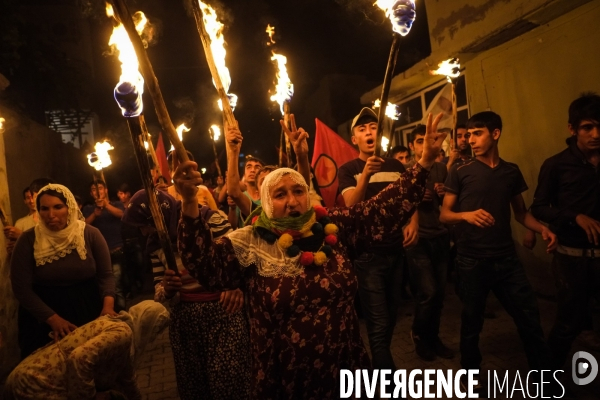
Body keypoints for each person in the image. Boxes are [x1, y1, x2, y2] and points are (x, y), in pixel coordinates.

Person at [171, 113, 446, 397]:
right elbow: (203, 264)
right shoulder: (250, 243)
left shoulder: (333, 226)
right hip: (288, 378)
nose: (292, 201)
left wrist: (424, 162)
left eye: (298, 191)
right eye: (279, 195)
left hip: (346, 369)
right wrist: (190, 202)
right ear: (265, 202)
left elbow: (380, 210)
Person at [440, 111, 557, 390]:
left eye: (477, 133)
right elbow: (445, 214)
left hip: (506, 260)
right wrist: (465, 215)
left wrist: (542, 229)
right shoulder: (460, 170)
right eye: (468, 134)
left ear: (495, 133)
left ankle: (544, 381)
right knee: (471, 324)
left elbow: (520, 213)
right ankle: (469, 378)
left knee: (529, 319)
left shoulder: (510, 171)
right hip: (471, 260)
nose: (470, 139)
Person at [123, 188, 250, 400]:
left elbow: (240, 260)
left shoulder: (212, 220)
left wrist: (235, 286)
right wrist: (167, 287)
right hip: (185, 322)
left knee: (228, 384)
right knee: (195, 387)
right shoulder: (155, 244)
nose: (144, 232)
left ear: (159, 216)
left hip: (224, 315)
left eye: (145, 225)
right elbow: (159, 290)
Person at [338, 107, 419, 371]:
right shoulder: (349, 169)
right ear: (355, 139)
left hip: (396, 251)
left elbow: (409, 200)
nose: (368, 132)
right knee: (378, 325)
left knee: (391, 319)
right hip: (368, 257)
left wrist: (413, 222)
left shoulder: (396, 165)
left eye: (372, 127)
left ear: (378, 132)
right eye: (362, 129)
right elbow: (351, 205)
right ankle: (389, 384)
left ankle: (378, 374)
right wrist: (366, 176)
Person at [530, 93, 600, 370]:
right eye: (588, 127)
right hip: (571, 258)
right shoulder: (557, 165)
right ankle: (548, 378)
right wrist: (574, 216)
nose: (596, 134)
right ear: (572, 129)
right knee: (568, 324)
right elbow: (539, 208)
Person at [10, 184, 116, 358]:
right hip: (44, 318)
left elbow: (106, 275)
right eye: (44, 208)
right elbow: (21, 288)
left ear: (70, 208)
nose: (50, 215)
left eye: (58, 207)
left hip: (88, 308)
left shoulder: (89, 234)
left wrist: (108, 308)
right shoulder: (28, 241)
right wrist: (53, 320)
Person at [4, 300, 169, 400]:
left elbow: (128, 379)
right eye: (155, 329)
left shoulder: (123, 332)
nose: (152, 337)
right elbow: (79, 358)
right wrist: (92, 397)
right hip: (37, 380)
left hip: (39, 376)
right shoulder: (122, 332)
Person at [406, 124, 453, 361]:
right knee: (428, 292)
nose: (425, 145)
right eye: (419, 141)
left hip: (440, 236)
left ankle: (434, 338)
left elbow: (451, 203)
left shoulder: (442, 169)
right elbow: (397, 207)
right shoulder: (405, 172)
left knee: (440, 294)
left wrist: (444, 193)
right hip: (418, 240)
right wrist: (414, 197)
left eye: (430, 140)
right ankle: (420, 335)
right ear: (413, 146)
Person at [83, 180, 126, 311]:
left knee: (117, 284)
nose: (98, 191)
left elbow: (122, 215)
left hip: (116, 250)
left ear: (106, 190)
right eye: (95, 189)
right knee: (104, 286)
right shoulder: (88, 209)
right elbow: (83, 225)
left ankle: (121, 312)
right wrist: (94, 214)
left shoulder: (116, 204)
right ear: (91, 193)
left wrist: (106, 205)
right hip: (99, 254)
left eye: (100, 188)